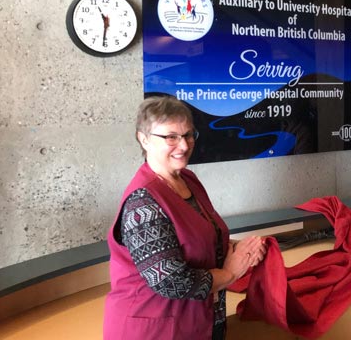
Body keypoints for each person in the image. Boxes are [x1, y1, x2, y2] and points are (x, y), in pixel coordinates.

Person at [103, 96, 267, 340]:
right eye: (171, 137)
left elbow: (201, 238)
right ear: (143, 138)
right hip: (154, 330)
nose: (183, 145)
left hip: (197, 321)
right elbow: (171, 281)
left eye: (188, 135)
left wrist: (241, 250)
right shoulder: (143, 203)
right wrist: (230, 274)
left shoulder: (188, 179)